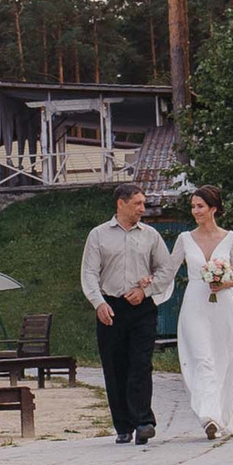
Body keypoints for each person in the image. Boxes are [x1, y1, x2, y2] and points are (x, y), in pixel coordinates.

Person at [81, 182, 173, 445]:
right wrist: (98, 303)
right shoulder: (98, 235)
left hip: (142, 307)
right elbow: (89, 273)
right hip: (111, 306)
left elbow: (165, 270)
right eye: (138, 204)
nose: (143, 209)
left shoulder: (150, 235)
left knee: (141, 363)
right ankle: (123, 425)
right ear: (121, 204)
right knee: (115, 365)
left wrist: (147, 290)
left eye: (143, 204)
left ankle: (144, 421)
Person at [174, 184, 233, 440]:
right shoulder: (184, 239)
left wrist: (226, 283)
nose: (195, 211)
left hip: (223, 305)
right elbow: (168, 269)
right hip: (195, 304)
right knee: (202, 359)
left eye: (200, 206)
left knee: (222, 362)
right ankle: (208, 417)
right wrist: (148, 285)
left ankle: (221, 415)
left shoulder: (231, 238)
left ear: (213, 208)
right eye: (193, 206)